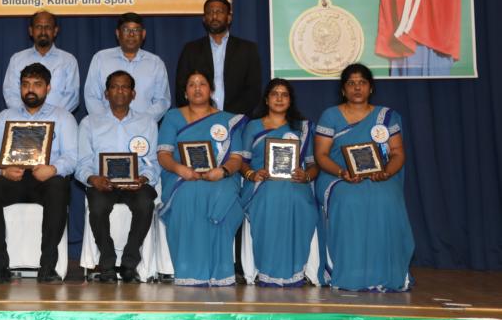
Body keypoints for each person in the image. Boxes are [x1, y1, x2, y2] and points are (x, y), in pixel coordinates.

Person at [314, 63, 413, 291]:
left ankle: (384, 271)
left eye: (362, 83)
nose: (357, 88)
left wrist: (386, 172)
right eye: (351, 83)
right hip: (338, 175)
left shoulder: (386, 116)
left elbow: (397, 153)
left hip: (380, 175)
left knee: (386, 198)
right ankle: (350, 270)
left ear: (371, 88)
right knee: (349, 199)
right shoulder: (330, 115)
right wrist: (342, 172)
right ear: (343, 90)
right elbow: (321, 155)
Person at [0, 63, 78, 283]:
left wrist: (53, 169)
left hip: (45, 180)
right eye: (25, 84)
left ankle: (48, 267)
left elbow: (72, 157)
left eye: (37, 84)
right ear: (20, 88)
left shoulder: (63, 117)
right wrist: (3, 171)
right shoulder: (5, 117)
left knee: (59, 186)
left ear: (48, 88)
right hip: (13, 179)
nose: (30, 89)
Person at [157, 70, 245, 286]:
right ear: (185, 93)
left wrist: (222, 171)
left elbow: (236, 158)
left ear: (211, 90)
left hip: (221, 177)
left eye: (202, 83)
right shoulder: (173, 117)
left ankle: (219, 271)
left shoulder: (228, 120)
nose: (197, 88)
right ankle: (189, 270)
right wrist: (180, 169)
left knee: (221, 196)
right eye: (192, 84)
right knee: (188, 194)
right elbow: (164, 154)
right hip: (181, 177)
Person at [77, 71, 159, 283]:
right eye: (114, 87)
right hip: (102, 184)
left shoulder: (147, 122)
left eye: (125, 87)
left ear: (133, 94)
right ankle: (107, 263)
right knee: (97, 207)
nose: (119, 91)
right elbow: (82, 162)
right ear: (106, 93)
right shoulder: (89, 123)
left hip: (136, 184)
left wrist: (143, 178)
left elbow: (153, 161)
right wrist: (93, 179)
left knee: (145, 203)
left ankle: (129, 263)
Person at [239, 78, 319, 287]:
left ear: (290, 100)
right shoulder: (253, 126)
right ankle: (268, 269)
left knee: (297, 200)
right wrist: (252, 175)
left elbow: (313, 164)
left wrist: (306, 176)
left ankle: (295, 269)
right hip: (261, 183)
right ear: (267, 99)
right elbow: (242, 162)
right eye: (275, 93)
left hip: (296, 183)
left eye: (284, 94)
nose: (279, 98)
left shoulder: (302, 128)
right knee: (271, 197)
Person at [175, 0, 261, 116]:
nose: (214, 16)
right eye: (210, 12)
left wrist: (229, 117)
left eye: (219, 12)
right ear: (204, 19)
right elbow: (181, 88)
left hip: (236, 119)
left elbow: (253, 90)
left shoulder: (247, 49)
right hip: (199, 118)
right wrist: (199, 114)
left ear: (229, 18)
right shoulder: (191, 49)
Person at [84, 13, 170, 121]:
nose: (131, 34)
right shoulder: (101, 59)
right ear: (117, 33)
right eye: (126, 30)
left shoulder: (155, 63)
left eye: (136, 30)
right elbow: (91, 97)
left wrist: (141, 121)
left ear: (143, 34)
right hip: (106, 126)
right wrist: (107, 121)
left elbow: (162, 101)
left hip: (143, 127)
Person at [2, 10, 80, 112]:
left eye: (48, 27)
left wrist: (51, 116)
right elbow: (11, 93)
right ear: (31, 31)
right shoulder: (17, 59)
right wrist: (27, 116)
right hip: (22, 119)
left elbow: (72, 96)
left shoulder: (68, 60)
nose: (43, 32)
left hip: (58, 119)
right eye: (38, 27)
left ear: (55, 31)